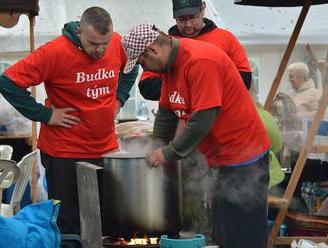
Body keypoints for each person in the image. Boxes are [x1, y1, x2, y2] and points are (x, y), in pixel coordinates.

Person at [122, 22, 271, 248]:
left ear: (152, 50)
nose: (145, 69)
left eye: (143, 62)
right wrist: (154, 147)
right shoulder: (170, 68)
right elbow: (165, 114)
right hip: (220, 158)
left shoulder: (200, 61)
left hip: (244, 157)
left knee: (245, 235)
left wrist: (169, 153)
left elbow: (203, 119)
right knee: (224, 233)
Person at [0, 7, 138, 234]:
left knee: (105, 221)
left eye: (105, 43)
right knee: (69, 224)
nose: (101, 50)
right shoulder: (53, 53)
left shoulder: (116, 43)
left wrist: (120, 99)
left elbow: (132, 67)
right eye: (94, 44)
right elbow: (8, 82)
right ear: (80, 31)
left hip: (105, 149)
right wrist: (45, 115)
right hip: (65, 152)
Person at [138, 0, 252, 101]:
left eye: (192, 17)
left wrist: (184, 86)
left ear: (202, 9)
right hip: (176, 117)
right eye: (181, 19)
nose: (188, 24)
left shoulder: (226, 39)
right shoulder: (165, 45)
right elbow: (147, 87)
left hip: (220, 116)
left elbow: (244, 81)